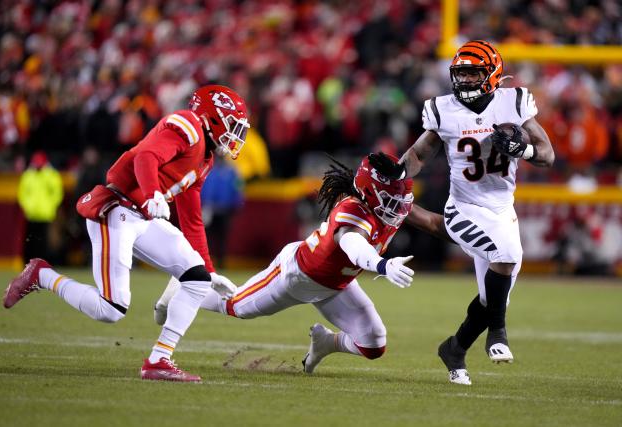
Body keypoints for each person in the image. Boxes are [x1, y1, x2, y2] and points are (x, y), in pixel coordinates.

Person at [3, 85, 251, 383]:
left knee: (197, 280)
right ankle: (41, 275)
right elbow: (145, 156)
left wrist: (209, 270)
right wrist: (151, 194)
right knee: (111, 308)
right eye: (233, 126)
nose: (236, 136)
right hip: (117, 209)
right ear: (214, 117)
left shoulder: (206, 159)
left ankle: (159, 360)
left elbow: (192, 217)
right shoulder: (188, 125)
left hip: (143, 215)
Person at [154, 152, 452, 373]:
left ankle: (325, 343)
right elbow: (354, 246)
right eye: (391, 200)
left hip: (336, 285)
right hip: (297, 276)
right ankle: (185, 287)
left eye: (401, 200)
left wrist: (473, 238)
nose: (399, 208)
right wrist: (384, 265)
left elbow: (430, 219)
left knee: (374, 344)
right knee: (235, 307)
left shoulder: (391, 203)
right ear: (369, 193)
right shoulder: (353, 210)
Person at [400, 40, 555, 385]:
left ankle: (454, 348)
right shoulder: (443, 109)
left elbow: (547, 154)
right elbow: (419, 155)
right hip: (464, 207)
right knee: (508, 255)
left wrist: (523, 149)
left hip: (502, 210)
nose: (467, 80)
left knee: (492, 296)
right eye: (462, 73)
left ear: (493, 74)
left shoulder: (513, 102)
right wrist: (396, 174)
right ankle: (498, 333)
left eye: (474, 72)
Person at [17, 151, 64, 263]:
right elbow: (22, 193)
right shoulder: (28, 175)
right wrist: (28, 207)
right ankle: (28, 264)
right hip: (32, 215)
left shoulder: (51, 175)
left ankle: (43, 264)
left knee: (45, 242)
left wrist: (51, 206)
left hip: (46, 214)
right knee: (30, 242)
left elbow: (57, 193)